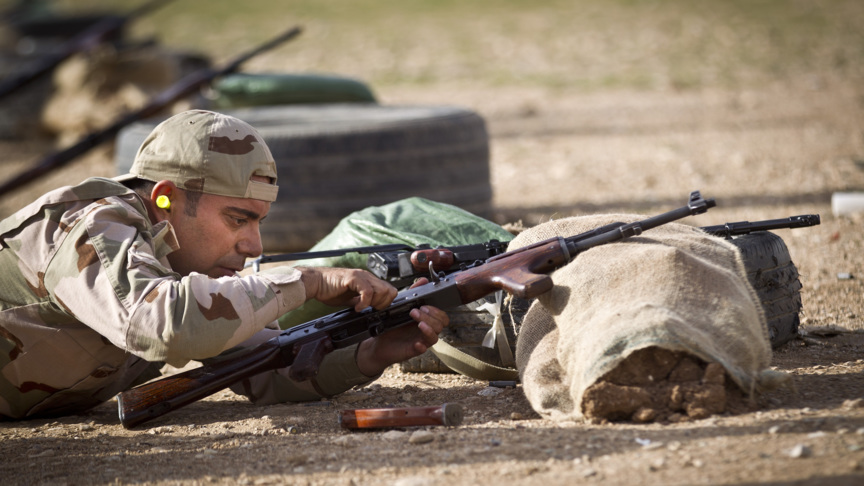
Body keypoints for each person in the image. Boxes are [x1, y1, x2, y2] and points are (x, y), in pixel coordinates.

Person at [0, 109, 449, 420]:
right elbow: (163, 323)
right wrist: (308, 282)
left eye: (259, 222)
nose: (254, 245)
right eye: (238, 219)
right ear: (166, 198)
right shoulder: (91, 224)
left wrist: (372, 354)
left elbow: (268, 370)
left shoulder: (183, 259)